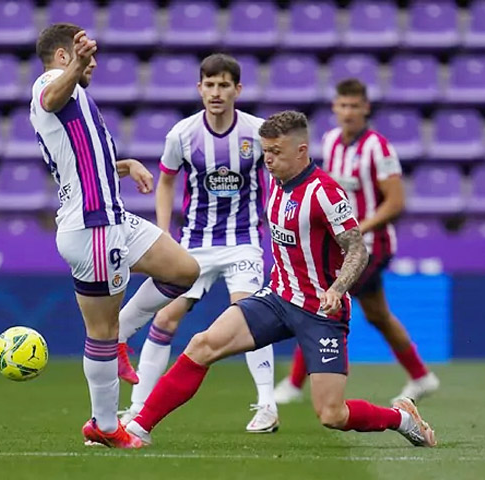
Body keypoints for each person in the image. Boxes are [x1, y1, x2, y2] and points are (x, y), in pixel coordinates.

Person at [122, 111, 437, 448]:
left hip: (321, 312)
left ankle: (402, 419)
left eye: (276, 152)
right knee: (202, 344)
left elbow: (357, 249)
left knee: (332, 415)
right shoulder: (275, 181)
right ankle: (138, 428)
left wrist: (337, 288)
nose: (268, 160)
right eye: (265, 151)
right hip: (278, 298)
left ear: (302, 150)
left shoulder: (325, 194)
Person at [30, 23, 199, 449]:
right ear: (64, 56)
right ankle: (105, 427)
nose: (95, 63)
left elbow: (81, 160)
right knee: (100, 333)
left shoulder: (77, 100)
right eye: (85, 55)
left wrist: (125, 165)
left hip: (113, 219)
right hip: (94, 228)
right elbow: (52, 97)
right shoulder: (51, 83)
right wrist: (78, 67)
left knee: (183, 271)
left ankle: (122, 336)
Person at [116, 54, 278, 433]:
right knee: (166, 317)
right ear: (199, 88)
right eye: (210, 85)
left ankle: (268, 405)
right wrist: (162, 234)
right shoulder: (182, 135)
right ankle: (138, 407)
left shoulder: (256, 132)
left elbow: (277, 176)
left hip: (243, 242)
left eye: (224, 85)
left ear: (237, 90)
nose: (216, 92)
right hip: (194, 245)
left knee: (249, 315)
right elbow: (167, 180)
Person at [274, 79, 439, 405]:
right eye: (342, 105)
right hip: (341, 245)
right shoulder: (331, 141)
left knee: (323, 300)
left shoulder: (379, 148)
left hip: (370, 246)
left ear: (365, 108)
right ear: (334, 107)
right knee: (378, 315)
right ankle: (421, 376)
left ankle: (293, 384)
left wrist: (358, 228)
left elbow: (395, 202)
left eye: (354, 106)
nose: (347, 112)